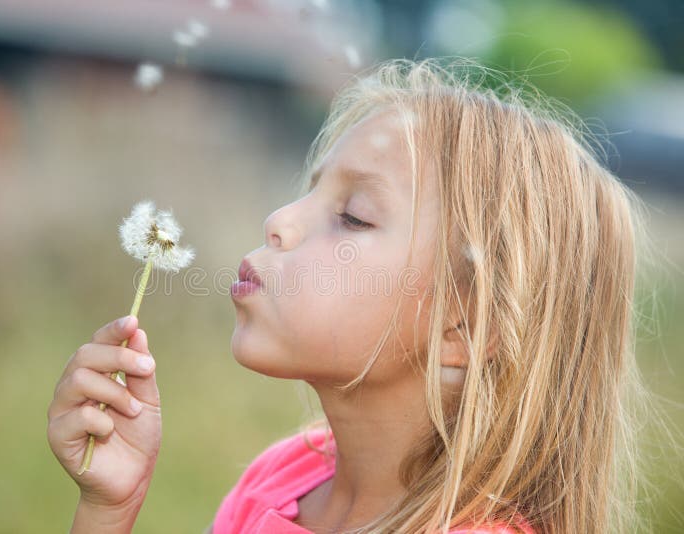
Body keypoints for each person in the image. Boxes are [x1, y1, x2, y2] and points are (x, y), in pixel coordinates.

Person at [47, 57, 656, 533]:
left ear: (465, 328)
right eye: (309, 191)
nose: (280, 220)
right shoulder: (283, 481)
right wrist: (110, 507)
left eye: (354, 216)